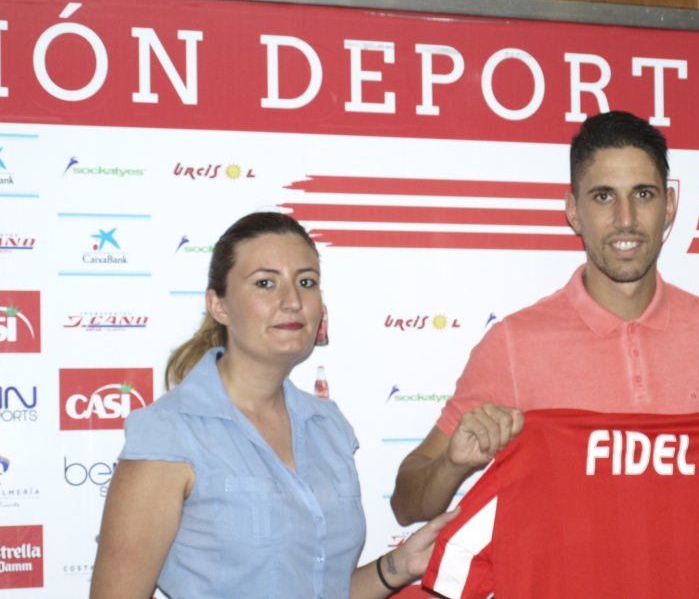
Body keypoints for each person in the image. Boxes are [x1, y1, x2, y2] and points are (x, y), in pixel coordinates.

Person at [391, 110, 699, 525]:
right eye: (604, 197)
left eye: (643, 194)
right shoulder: (512, 343)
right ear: (573, 210)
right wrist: (451, 465)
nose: (626, 220)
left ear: (670, 206)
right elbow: (407, 504)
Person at [91, 212, 457, 599]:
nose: (293, 301)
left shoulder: (329, 427)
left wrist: (396, 567)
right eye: (266, 283)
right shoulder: (169, 434)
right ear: (219, 306)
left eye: (306, 282)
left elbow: (321, 590)